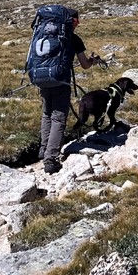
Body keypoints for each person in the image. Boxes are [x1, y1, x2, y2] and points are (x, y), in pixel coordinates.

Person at [38, 12, 102, 174]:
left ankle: (43, 149)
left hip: (42, 78)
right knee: (59, 118)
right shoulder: (73, 38)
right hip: (61, 81)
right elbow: (85, 64)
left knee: (47, 114)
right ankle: (50, 159)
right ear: (72, 21)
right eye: (77, 20)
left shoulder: (42, 34)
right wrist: (93, 61)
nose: (78, 23)